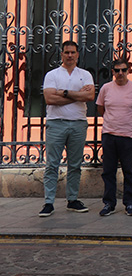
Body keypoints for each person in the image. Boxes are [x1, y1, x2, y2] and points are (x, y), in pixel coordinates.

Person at [39, 40, 95, 217]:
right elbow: (50, 99)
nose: (70, 55)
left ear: (78, 54)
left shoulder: (85, 74)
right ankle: (49, 202)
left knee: (75, 165)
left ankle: (72, 200)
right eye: (66, 52)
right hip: (56, 123)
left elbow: (91, 95)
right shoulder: (52, 75)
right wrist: (78, 96)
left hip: (78, 123)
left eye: (73, 52)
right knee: (52, 164)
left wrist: (63, 92)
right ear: (61, 54)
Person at [96, 59, 132, 217]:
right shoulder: (106, 88)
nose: (120, 73)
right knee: (108, 171)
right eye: (117, 70)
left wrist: (129, 122)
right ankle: (109, 203)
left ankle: (130, 203)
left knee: (129, 171)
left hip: (128, 135)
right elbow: (100, 108)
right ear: (112, 72)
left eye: (123, 70)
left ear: (128, 71)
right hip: (109, 135)